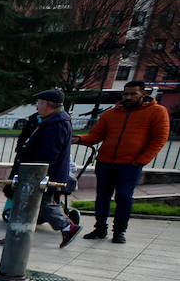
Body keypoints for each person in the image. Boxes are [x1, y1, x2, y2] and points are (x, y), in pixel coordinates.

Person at [73, 80, 170, 245]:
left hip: (130, 164)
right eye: (126, 94)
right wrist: (77, 139)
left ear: (143, 95)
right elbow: (95, 136)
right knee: (102, 197)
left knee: (124, 197)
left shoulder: (156, 112)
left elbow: (159, 139)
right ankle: (100, 228)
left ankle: (119, 231)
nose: (129, 97)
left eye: (133, 94)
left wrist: (141, 161)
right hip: (106, 162)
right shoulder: (112, 113)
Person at [2, 89, 80, 248]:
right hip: (36, 173)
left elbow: (49, 154)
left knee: (39, 202)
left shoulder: (57, 124)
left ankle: (67, 226)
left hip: (41, 174)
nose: (36, 106)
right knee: (28, 202)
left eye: (38, 103)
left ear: (46, 104)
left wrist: (38, 173)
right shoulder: (52, 120)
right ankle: (15, 235)